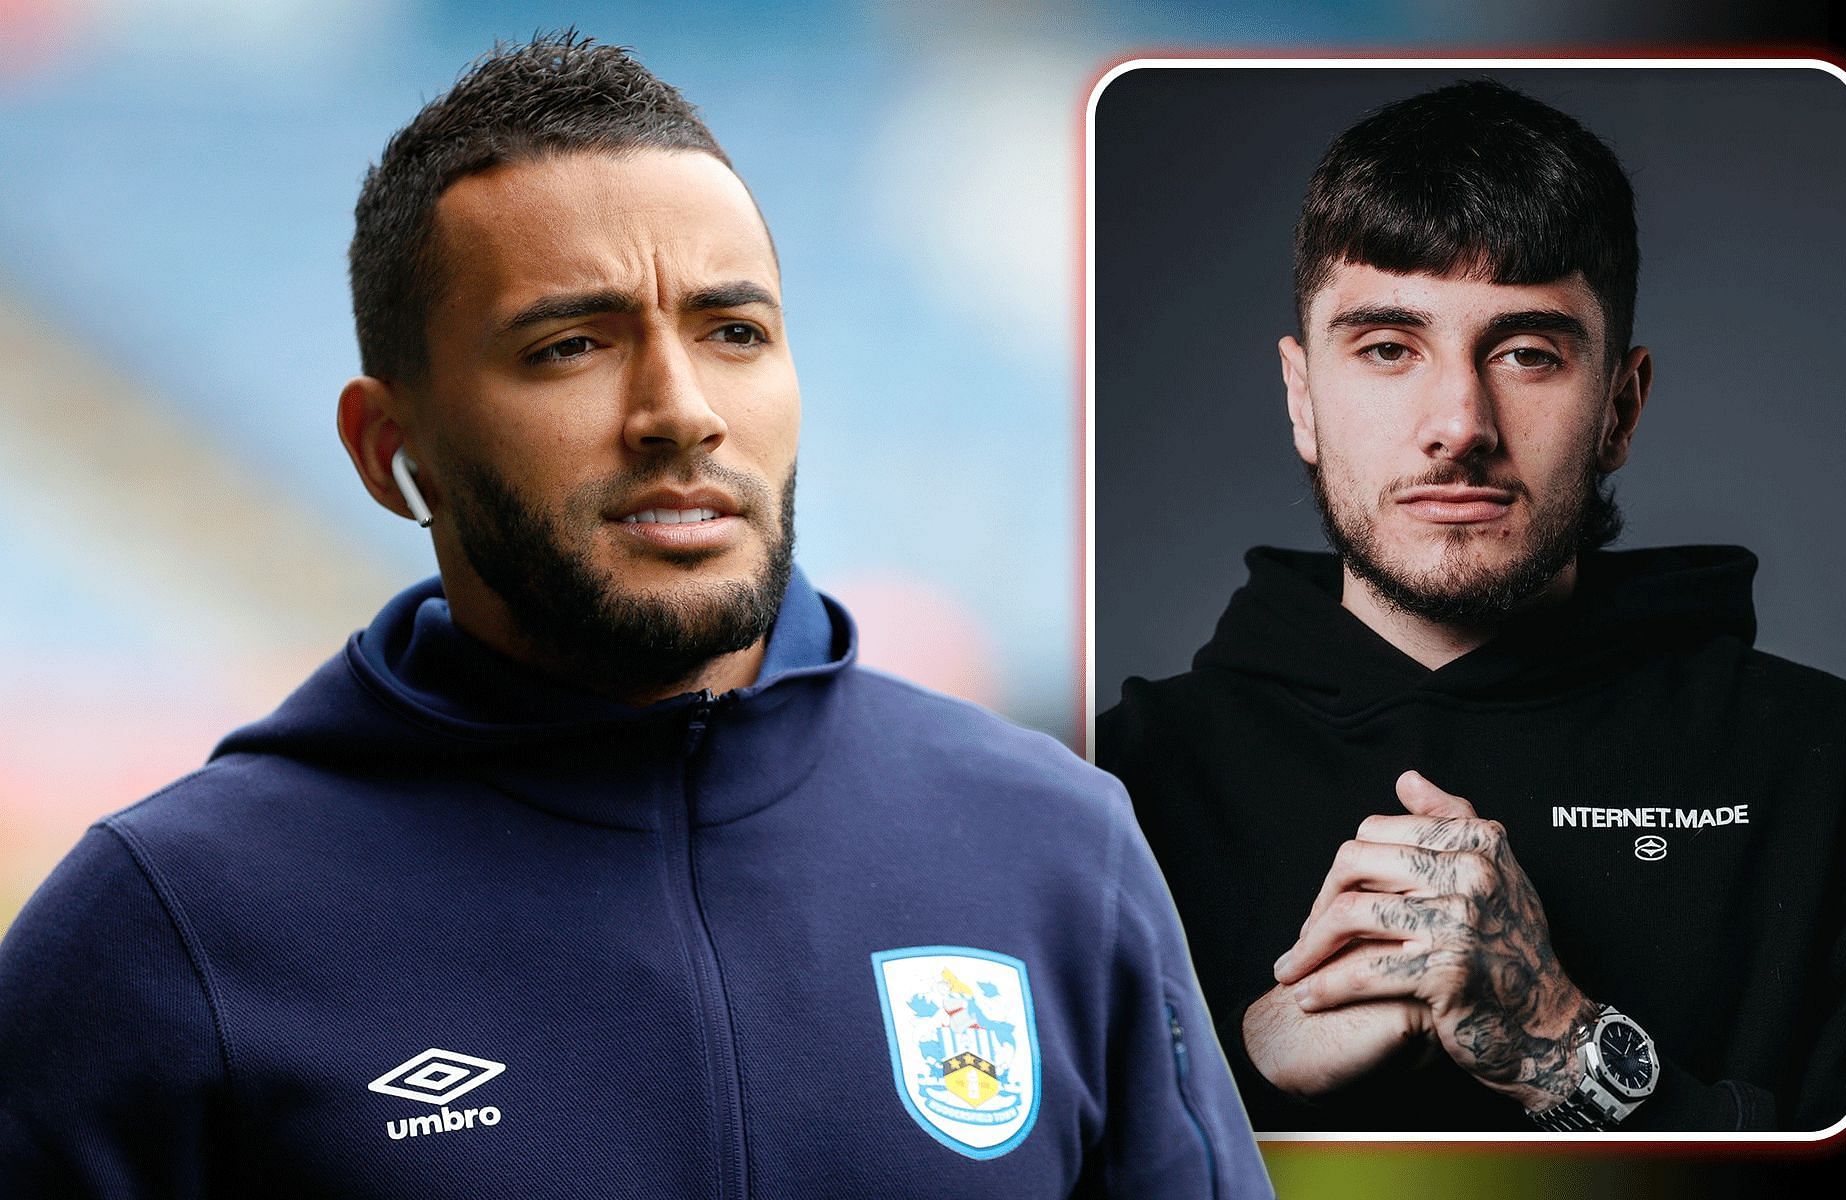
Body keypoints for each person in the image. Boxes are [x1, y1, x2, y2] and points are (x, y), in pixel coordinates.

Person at [0, 33, 1270, 1197]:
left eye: (733, 330)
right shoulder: (169, 926)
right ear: (392, 448)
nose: (680, 409)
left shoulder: (1054, 848)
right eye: (570, 345)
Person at [1096, 80, 1846, 1134]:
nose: (1458, 423)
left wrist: (1558, 1045)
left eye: (1526, 352)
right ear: (1301, 398)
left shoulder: (1836, 772)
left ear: (1621, 408)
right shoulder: (1109, 791)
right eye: (1387, 348)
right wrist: (1231, 1073)